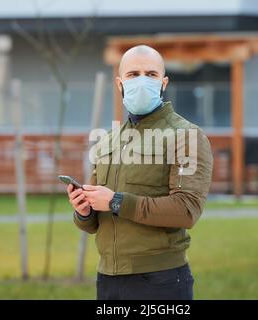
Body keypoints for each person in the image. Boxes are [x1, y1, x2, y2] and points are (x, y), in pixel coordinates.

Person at [67, 45, 213, 300]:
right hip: (108, 278)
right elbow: (92, 224)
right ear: (120, 82)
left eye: (151, 74)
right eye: (133, 74)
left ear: (164, 82)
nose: (142, 80)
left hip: (160, 281)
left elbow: (187, 210)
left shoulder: (186, 136)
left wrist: (115, 201)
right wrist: (84, 210)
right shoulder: (108, 140)